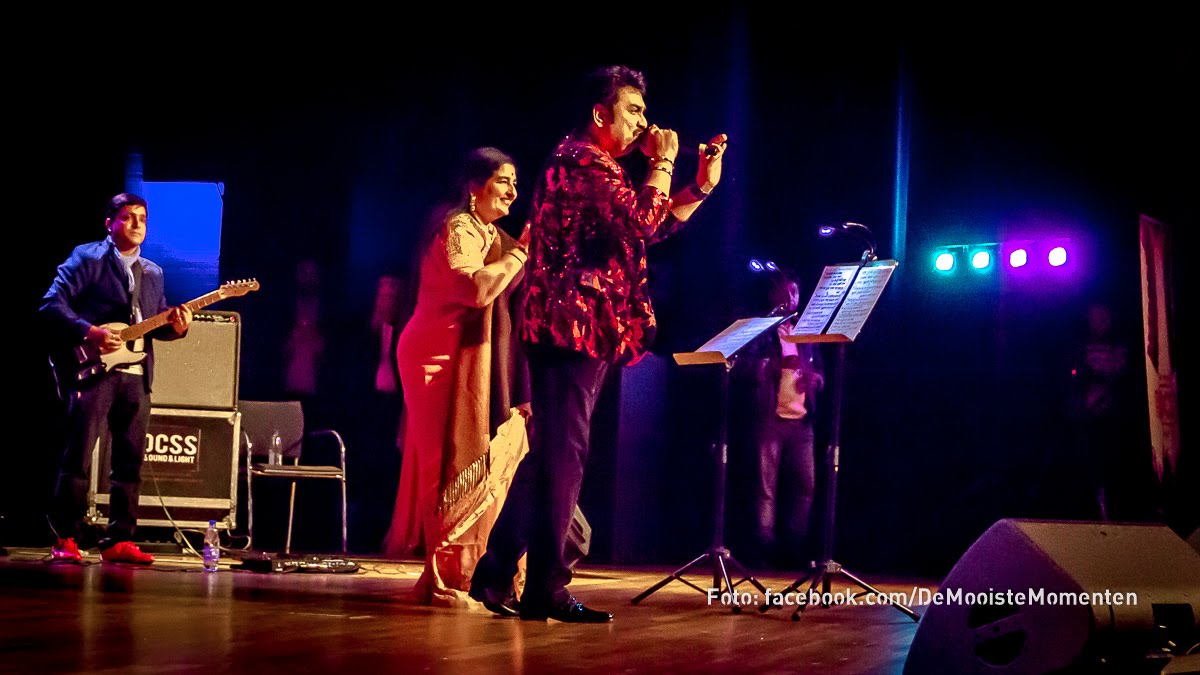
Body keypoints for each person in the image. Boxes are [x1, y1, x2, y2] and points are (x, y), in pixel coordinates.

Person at [470, 65, 728, 622]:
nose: (643, 121)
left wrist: (701, 185)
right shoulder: (582, 161)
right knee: (563, 459)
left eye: (642, 111)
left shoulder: (597, 166)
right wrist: (663, 163)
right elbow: (643, 221)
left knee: (552, 458)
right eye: (632, 110)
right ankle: (545, 589)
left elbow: (653, 227)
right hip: (570, 328)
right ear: (599, 114)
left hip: (583, 327)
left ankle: (495, 573)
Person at [384, 147, 532, 607]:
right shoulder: (458, 228)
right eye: (503, 180)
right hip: (433, 356)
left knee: (485, 460)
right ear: (473, 185)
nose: (513, 191)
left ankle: (473, 572)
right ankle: (443, 578)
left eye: (515, 182)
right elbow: (475, 289)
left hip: (474, 358)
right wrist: (520, 254)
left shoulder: (491, 234)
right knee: (445, 467)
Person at [41, 192, 193, 564]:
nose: (138, 224)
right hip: (94, 372)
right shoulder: (87, 259)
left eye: (143, 218)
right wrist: (90, 332)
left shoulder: (153, 272)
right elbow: (51, 305)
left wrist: (178, 327)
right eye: (128, 217)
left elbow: (155, 323)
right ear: (109, 223)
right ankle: (66, 537)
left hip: (136, 375)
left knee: (130, 462)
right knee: (78, 458)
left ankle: (118, 540)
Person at [740, 271, 824, 568]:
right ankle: (763, 550)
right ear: (772, 295)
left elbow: (820, 372)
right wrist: (770, 367)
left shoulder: (806, 332)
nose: (791, 298)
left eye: (795, 292)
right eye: (786, 292)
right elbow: (743, 367)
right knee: (765, 490)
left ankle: (793, 549)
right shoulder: (762, 331)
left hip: (802, 421)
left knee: (805, 487)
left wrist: (815, 380)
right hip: (769, 419)